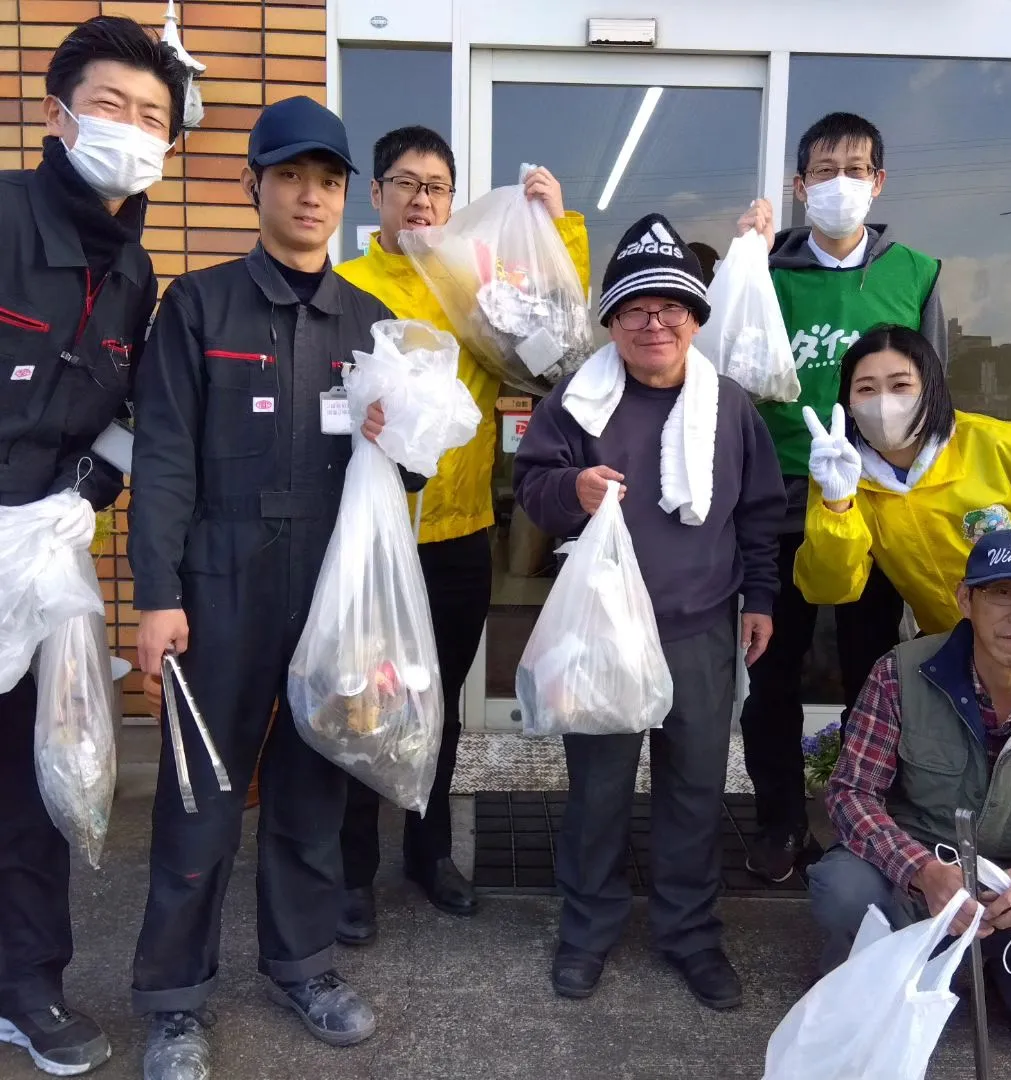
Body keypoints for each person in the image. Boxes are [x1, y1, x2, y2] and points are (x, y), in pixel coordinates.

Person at [128, 97, 422, 1080]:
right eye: (290, 175)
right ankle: (174, 999)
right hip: (219, 587)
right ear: (251, 184)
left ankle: (303, 965)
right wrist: (157, 592)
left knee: (313, 788)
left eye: (327, 181)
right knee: (199, 797)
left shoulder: (370, 322)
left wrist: (418, 432)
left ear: (345, 197)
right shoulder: (200, 307)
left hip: (331, 593)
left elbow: (402, 474)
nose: (309, 195)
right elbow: (165, 457)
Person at [513, 214, 786, 1009]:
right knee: (597, 791)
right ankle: (587, 929)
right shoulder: (579, 397)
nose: (653, 321)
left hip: (701, 625)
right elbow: (533, 485)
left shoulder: (730, 406)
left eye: (671, 307)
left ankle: (690, 934)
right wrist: (573, 489)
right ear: (611, 322)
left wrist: (760, 599)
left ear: (697, 319)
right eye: (634, 308)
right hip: (603, 634)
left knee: (696, 790)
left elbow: (760, 514)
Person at [334, 127, 590, 933]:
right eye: (404, 183)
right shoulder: (341, 283)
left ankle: (429, 849)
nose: (421, 199)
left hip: (457, 532)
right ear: (375, 195)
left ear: (452, 200)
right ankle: (350, 871)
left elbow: (560, 339)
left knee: (438, 701)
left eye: (437, 186)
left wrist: (560, 227)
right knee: (360, 703)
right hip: (367, 536)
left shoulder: (474, 279)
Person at [0, 16, 187, 1075]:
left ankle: (27, 988)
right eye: (112, 107)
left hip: (43, 557)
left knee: (32, 783)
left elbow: (126, 418)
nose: (133, 131)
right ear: (55, 113)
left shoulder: (134, 272)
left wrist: (84, 496)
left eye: (154, 117)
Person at [735, 112, 948, 884]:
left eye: (856, 169)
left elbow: (934, 400)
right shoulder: (769, 273)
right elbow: (734, 376)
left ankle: (869, 820)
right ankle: (780, 822)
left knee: (873, 670)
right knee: (774, 671)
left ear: (879, 182)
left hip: (876, 505)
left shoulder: (915, 273)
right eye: (824, 171)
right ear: (799, 187)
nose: (840, 184)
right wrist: (742, 258)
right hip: (780, 501)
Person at [809, 527, 1011, 1070]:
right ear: (966, 599)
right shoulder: (901, 672)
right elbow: (851, 794)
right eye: (1002, 592)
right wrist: (923, 872)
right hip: (925, 874)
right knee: (842, 885)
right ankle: (879, 986)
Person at [794, 324, 1011, 639]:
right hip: (949, 643)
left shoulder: (1009, 447)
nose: (884, 403)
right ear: (848, 403)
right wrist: (837, 504)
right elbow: (828, 588)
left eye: (900, 385)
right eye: (866, 389)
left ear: (931, 390)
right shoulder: (841, 473)